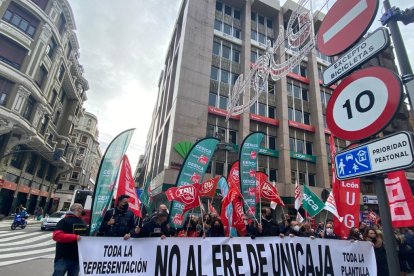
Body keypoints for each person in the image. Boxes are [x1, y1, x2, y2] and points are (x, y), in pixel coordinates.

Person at [52, 203, 87, 276]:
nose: (83, 210)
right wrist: (75, 237)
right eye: (82, 208)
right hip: (63, 257)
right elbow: (57, 236)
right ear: (79, 209)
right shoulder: (64, 221)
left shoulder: (83, 222)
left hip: (77, 258)